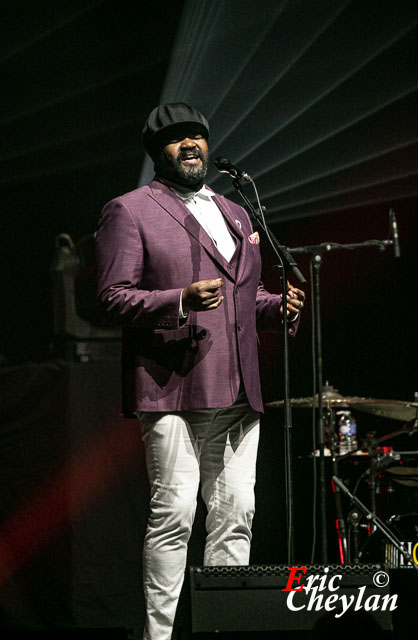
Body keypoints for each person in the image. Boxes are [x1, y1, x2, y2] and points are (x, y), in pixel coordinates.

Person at [96, 102, 305, 640]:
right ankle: (159, 636)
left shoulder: (237, 211)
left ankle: (223, 630)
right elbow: (111, 298)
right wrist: (180, 299)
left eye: (197, 136)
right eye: (175, 138)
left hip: (239, 391)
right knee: (175, 517)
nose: (190, 144)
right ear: (157, 151)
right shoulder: (130, 209)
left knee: (237, 515)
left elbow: (244, 297)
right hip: (173, 388)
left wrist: (275, 306)